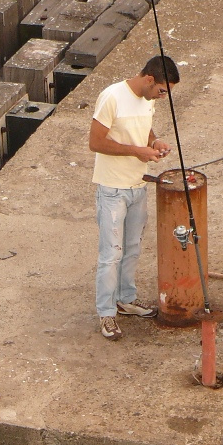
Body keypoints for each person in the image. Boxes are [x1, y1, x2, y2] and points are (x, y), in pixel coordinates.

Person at [88, 55, 180, 341]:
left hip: (137, 186)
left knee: (132, 248)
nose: (163, 97)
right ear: (149, 79)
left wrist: (153, 142)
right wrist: (136, 151)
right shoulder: (112, 97)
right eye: (162, 91)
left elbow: (144, 126)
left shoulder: (147, 99)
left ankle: (126, 299)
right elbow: (96, 142)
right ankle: (106, 312)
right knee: (111, 254)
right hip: (112, 187)